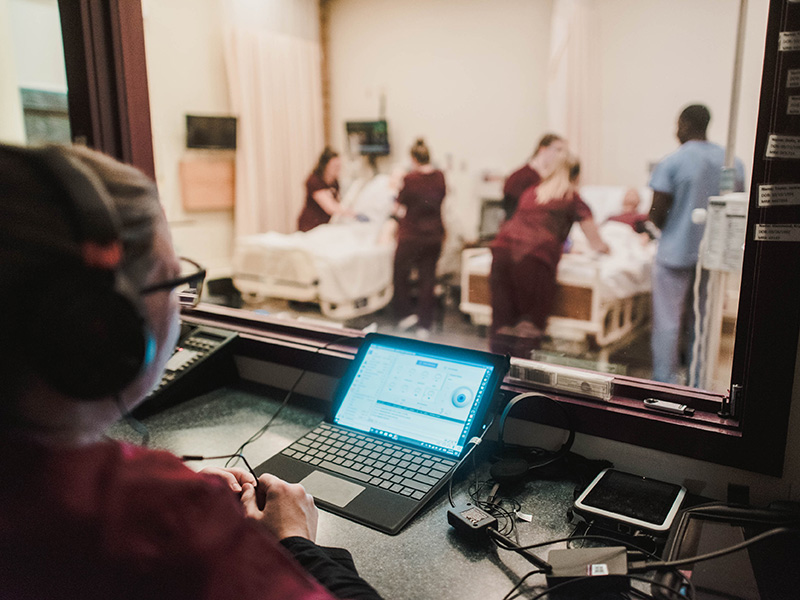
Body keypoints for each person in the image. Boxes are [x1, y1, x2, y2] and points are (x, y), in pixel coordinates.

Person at [0, 143, 383, 600]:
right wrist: (296, 543)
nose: (182, 311)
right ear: (100, 324)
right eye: (176, 282)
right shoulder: (163, 523)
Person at [648, 104, 744, 384]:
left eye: (678, 125)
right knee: (704, 320)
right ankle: (700, 381)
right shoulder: (733, 162)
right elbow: (736, 208)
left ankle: (665, 382)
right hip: (712, 256)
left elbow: (656, 214)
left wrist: (673, 227)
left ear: (685, 124)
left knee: (667, 321)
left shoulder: (673, 162)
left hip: (675, 253)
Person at [489, 157, 610, 357]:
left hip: (501, 253)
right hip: (533, 260)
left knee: (502, 326)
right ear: (576, 176)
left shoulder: (531, 192)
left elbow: (530, 225)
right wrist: (608, 249)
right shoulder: (572, 198)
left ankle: (496, 381)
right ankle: (520, 381)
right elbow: (596, 243)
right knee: (528, 328)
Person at [392, 138, 447, 339]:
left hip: (411, 236)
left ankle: (405, 315)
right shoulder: (440, 176)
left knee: (400, 273)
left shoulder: (410, 179)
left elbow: (399, 206)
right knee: (428, 279)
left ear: (413, 159)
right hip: (434, 237)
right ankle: (425, 325)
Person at [502, 133, 567, 220]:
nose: (562, 155)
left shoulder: (550, 177)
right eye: (558, 150)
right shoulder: (521, 177)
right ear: (543, 150)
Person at [298, 147, 353, 232]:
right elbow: (330, 207)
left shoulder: (335, 183)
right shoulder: (314, 181)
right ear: (325, 165)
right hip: (311, 225)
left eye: (339, 167)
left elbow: (336, 203)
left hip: (324, 225)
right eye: (335, 167)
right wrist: (352, 213)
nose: (338, 170)